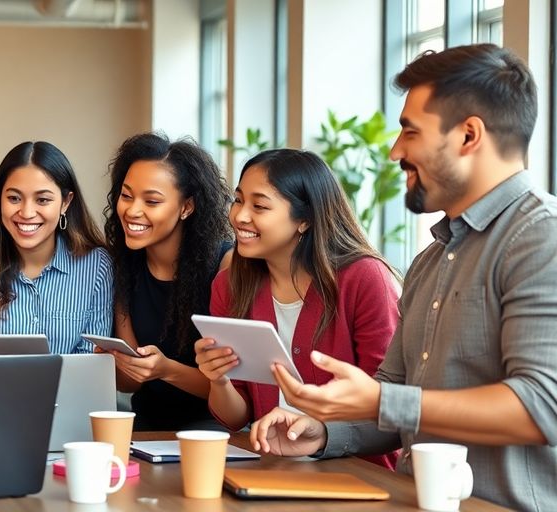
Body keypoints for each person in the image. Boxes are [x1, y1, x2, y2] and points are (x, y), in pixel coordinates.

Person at [249, 44, 557, 510]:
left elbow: (541, 407)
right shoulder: (433, 259)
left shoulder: (541, 238)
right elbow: (392, 406)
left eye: (409, 132)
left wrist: (382, 400)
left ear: (468, 135)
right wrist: (322, 434)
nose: (395, 151)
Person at [196, 148, 399, 468]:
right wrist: (218, 379)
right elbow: (236, 418)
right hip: (273, 469)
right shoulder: (229, 286)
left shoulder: (364, 278)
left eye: (259, 206)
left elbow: (388, 406)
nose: (240, 216)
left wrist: (324, 433)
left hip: (358, 472)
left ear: (304, 220)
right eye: (238, 200)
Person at [101, 133, 234, 431]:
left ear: (187, 207)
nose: (133, 211)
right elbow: (131, 384)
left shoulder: (226, 266)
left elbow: (236, 390)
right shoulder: (122, 263)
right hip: (145, 427)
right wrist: (116, 363)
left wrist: (165, 370)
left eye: (152, 201)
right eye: (126, 195)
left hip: (216, 429)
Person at [0, 141, 112, 354]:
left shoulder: (97, 266)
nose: (27, 212)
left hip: (71, 389)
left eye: (43, 200)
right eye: (14, 198)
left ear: (65, 202)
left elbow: (94, 362)